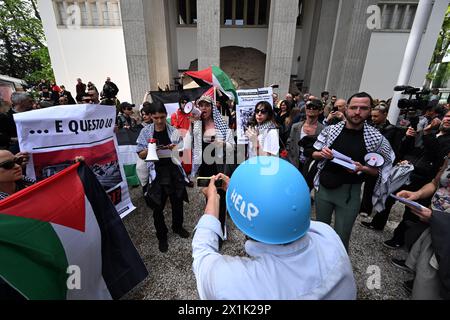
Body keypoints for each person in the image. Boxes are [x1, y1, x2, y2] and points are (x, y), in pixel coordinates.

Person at [192, 157, 357, 300]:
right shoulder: (329, 236)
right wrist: (237, 189)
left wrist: (213, 198)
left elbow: (202, 255)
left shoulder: (238, 282)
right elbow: (284, 214)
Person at [312, 92, 395, 249]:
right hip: (324, 189)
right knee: (320, 233)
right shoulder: (331, 131)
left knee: (341, 237)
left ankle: (337, 271)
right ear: (346, 109)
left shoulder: (377, 138)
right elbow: (314, 153)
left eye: (363, 108)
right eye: (354, 107)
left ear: (370, 110)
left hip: (350, 194)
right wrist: (322, 154)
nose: (357, 112)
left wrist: (363, 168)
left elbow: (382, 171)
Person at [393, 154, 450, 299]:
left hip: (445, 235)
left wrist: (437, 218)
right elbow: (434, 183)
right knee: (422, 275)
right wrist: (417, 194)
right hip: (434, 228)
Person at [136, 102, 190, 253]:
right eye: (156, 118)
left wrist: (176, 149)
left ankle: (177, 227)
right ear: (151, 117)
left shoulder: (173, 131)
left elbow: (182, 152)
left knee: (177, 201)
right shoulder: (146, 132)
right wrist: (150, 149)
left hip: (173, 170)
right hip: (156, 172)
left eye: (162, 117)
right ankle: (162, 235)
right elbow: (139, 153)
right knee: (157, 206)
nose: (159, 121)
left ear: (166, 115)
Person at [191, 94, 235, 240]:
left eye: (207, 105)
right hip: (204, 166)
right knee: (209, 195)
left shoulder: (222, 123)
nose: (204, 108)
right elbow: (191, 145)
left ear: (212, 108)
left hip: (219, 165)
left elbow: (233, 147)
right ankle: (212, 225)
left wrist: (222, 144)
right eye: (201, 105)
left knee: (220, 196)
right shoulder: (196, 125)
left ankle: (221, 228)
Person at [287, 99, 325, 189]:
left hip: (311, 163)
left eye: (314, 107)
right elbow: (290, 142)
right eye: (308, 107)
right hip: (295, 161)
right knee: (293, 185)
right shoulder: (296, 126)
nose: (311, 109)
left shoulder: (323, 129)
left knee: (307, 186)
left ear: (320, 111)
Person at [171, 96, 194, 178]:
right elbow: (175, 129)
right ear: (179, 104)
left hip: (189, 139)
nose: (184, 104)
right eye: (182, 103)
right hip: (180, 140)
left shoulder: (192, 114)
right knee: (179, 160)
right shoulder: (175, 115)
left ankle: (187, 178)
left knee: (188, 161)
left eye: (186, 102)